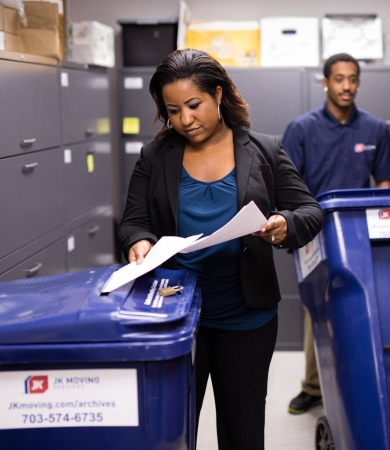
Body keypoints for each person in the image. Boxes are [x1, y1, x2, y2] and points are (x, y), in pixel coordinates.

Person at [116, 49, 325, 450]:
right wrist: (139, 241)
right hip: (176, 321)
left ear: (217, 94)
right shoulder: (156, 156)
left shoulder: (263, 150)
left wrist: (285, 225)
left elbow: (310, 211)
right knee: (173, 430)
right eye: (173, 110)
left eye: (193, 106)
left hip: (246, 317)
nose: (185, 120)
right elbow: (133, 221)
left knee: (242, 430)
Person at [282, 53, 390, 414]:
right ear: (325, 82)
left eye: (352, 79)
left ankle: (362, 379)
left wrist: (383, 230)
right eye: (338, 79)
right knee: (317, 312)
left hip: (359, 234)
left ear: (358, 83)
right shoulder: (302, 129)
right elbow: (287, 185)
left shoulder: (375, 128)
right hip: (314, 234)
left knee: (362, 305)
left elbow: (383, 182)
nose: (346, 85)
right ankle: (314, 387)